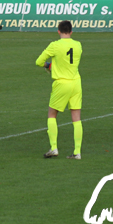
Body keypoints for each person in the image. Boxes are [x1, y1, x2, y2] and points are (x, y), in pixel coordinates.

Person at [35, 20, 83, 160]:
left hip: (61, 83)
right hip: (76, 83)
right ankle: (77, 152)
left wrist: (48, 65)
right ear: (71, 31)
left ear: (58, 31)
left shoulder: (55, 45)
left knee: (52, 114)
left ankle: (54, 148)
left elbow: (38, 61)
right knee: (76, 118)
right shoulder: (78, 45)